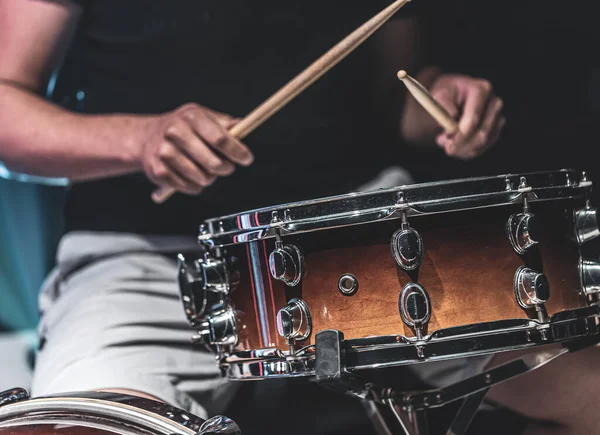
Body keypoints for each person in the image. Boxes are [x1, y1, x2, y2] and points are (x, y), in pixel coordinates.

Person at [5, 0, 579, 433]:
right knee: (77, 430)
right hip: (152, 257)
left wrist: (440, 103)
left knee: (587, 395)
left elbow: (391, 103)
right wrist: (140, 140)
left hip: (361, 236)